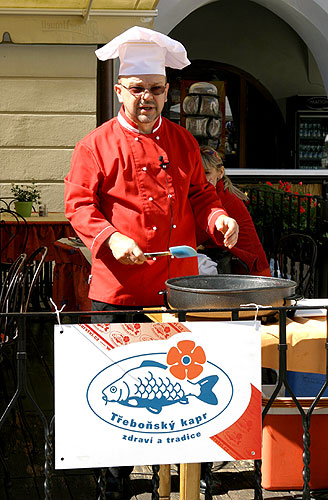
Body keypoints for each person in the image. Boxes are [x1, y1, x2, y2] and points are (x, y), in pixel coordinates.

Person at [64, 26, 239, 499]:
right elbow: (80, 206)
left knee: (184, 387)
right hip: (120, 293)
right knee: (117, 392)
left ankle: (188, 473)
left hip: (178, 292)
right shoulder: (94, 145)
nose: (147, 98)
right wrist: (109, 236)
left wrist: (219, 217)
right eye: (137, 89)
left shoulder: (183, 143)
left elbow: (202, 195)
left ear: (167, 92)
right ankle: (114, 483)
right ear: (121, 90)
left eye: (156, 90)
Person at [197, 145, 271, 276]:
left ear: (220, 172)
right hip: (246, 268)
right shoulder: (223, 192)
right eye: (198, 173)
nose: (202, 178)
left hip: (250, 273)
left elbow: (196, 236)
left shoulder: (222, 199)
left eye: (207, 172)